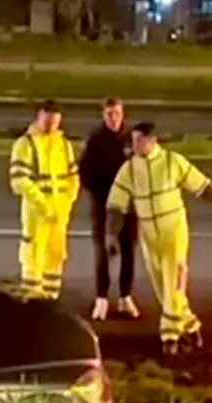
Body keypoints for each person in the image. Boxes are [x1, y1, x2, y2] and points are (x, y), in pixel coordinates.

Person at [104, 121, 212, 355]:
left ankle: (169, 335)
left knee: (172, 279)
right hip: (148, 234)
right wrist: (111, 234)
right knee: (161, 284)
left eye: (139, 140)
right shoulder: (128, 170)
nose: (135, 145)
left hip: (173, 230)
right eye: (133, 141)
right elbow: (116, 205)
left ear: (152, 140)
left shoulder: (172, 162)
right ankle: (189, 324)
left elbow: (201, 185)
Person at [7, 99, 80, 300]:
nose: (51, 126)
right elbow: (19, 180)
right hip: (36, 212)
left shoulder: (63, 145)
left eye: (55, 122)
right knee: (33, 253)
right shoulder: (25, 144)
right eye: (47, 121)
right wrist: (42, 203)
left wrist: (67, 202)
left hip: (59, 212)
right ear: (38, 118)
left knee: (56, 255)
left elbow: (73, 177)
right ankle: (32, 298)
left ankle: (51, 298)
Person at [79, 97, 139, 321]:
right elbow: (85, 173)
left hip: (129, 207)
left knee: (128, 252)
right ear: (103, 115)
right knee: (104, 252)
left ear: (123, 114)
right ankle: (101, 299)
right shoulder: (96, 140)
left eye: (117, 113)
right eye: (109, 114)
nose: (113, 118)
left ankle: (126, 297)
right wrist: (103, 194)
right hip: (104, 206)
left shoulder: (132, 138)